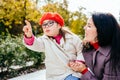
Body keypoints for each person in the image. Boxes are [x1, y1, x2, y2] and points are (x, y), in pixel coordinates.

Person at [23, 12, 85, 80]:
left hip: (71, 72)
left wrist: (79, 62)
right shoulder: (44, 40)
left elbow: (81, 51)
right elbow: (36, 44)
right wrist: (29, 36)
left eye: (50, 23)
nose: (46, 26)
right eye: (44, 24)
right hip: (54, 76)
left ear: (59, 25)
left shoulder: (73, 38)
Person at [68, 12, 120, 80]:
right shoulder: (87, 46)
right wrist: (79, 63)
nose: (84, 28)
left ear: (101, 30)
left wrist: (84, 71)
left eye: (89, 26)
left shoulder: (113, 55)